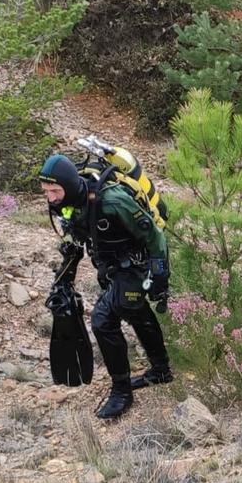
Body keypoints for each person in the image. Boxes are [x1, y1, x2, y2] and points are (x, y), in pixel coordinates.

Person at [39, 154, 172, 419]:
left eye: (55, 190)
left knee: (102, 320)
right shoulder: (70, 204)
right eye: (46, 192)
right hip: (112, 267)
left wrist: (160, 278)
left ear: (68, 184)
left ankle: (121, 392)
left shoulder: (113, 201)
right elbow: (75, 243)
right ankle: (161, 370)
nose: (51, 198)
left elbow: (154, 237)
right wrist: (64, 279)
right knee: (135, 311)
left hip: (136, 265)